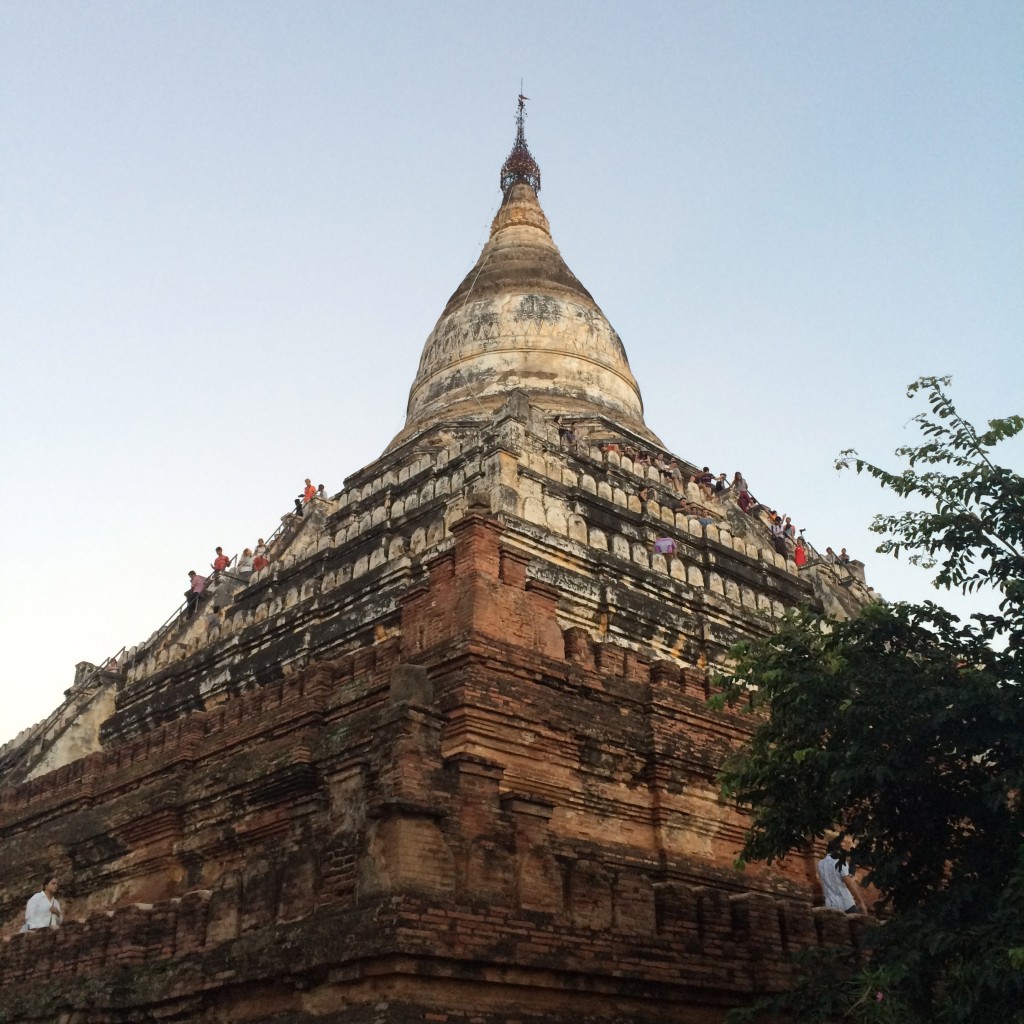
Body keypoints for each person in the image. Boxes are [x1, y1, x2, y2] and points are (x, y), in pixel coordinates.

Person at [817, 846, 867, 914]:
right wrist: (860, 902)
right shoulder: (840, 862)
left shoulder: (820, 864)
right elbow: (847, 881)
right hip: (846, 904)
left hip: (830, 905)